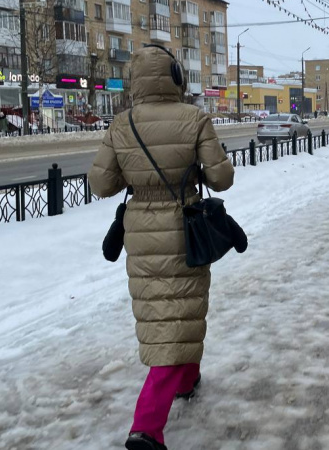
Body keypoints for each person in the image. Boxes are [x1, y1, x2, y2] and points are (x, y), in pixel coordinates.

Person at [88, 45, 235, 450]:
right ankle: (146, 428)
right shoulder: (195, 118)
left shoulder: (121, 124)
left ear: (136, 81)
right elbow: (221, 179)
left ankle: (188, 380)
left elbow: (101, 184)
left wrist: (136, 177)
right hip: (185, 226)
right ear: (175, 76)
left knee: (164, 314)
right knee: (182, 310)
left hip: (141, 231)